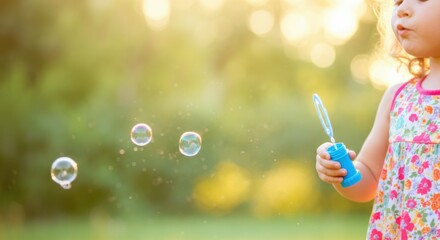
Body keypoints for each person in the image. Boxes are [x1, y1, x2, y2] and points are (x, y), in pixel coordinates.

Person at [315, 0, 440, 239]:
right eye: (398, 2)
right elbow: (368, 179)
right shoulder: (399, 99)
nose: (402, 9)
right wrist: (340, 169)